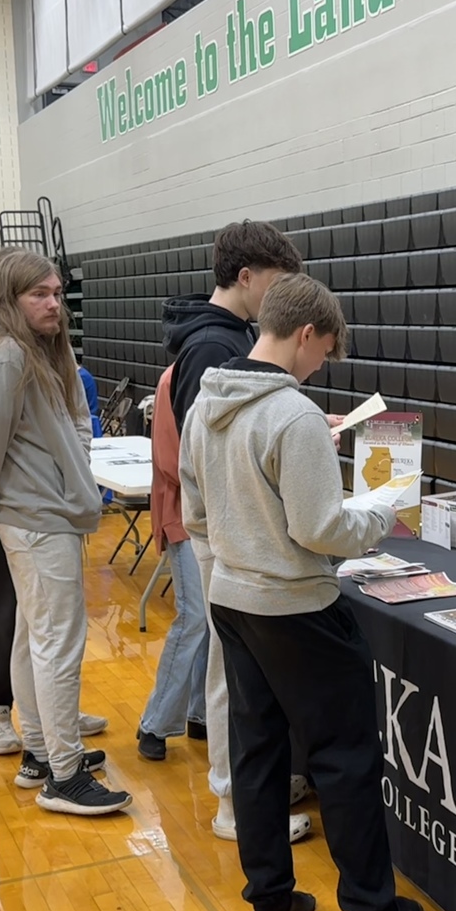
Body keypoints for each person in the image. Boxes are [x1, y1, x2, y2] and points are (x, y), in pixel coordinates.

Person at [180, 273, 425, 911]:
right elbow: (321, 530)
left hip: (232, 598)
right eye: (324, 353)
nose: (321, 366)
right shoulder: (292, 414)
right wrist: (384, 508)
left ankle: (269, 905)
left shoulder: (207, 402)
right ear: (307, 334)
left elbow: (198, 511)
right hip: (298, 607)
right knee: (344, 756)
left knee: (257, 753)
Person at [0, 251, 130, 815]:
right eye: (40, 294)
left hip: (39, 512)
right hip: (34, 518)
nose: (54, 303)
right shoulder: (5, 353)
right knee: (58, 643)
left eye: (57, 292)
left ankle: (38, 752)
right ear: (10, 298)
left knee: (33, 637)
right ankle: (65, 775)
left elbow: (63, 420)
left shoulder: (28, 346)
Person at [162, 218, 310, 842]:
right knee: (232, 675)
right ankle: (234, 801)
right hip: (226, 538)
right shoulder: (211, 346)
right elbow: (207, 455)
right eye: (276, 283)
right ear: (246, 277)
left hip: (230, 534)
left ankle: (251, 787)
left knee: (244, 674)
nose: (282, 298)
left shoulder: (231, 337)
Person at [133, 363, 210, 764]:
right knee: (193, 617)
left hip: (207, 517)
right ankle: (155, 722)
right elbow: (171, 460)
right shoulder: (174, 379)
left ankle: (199, 712)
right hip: (183, 515)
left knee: (211, 619)